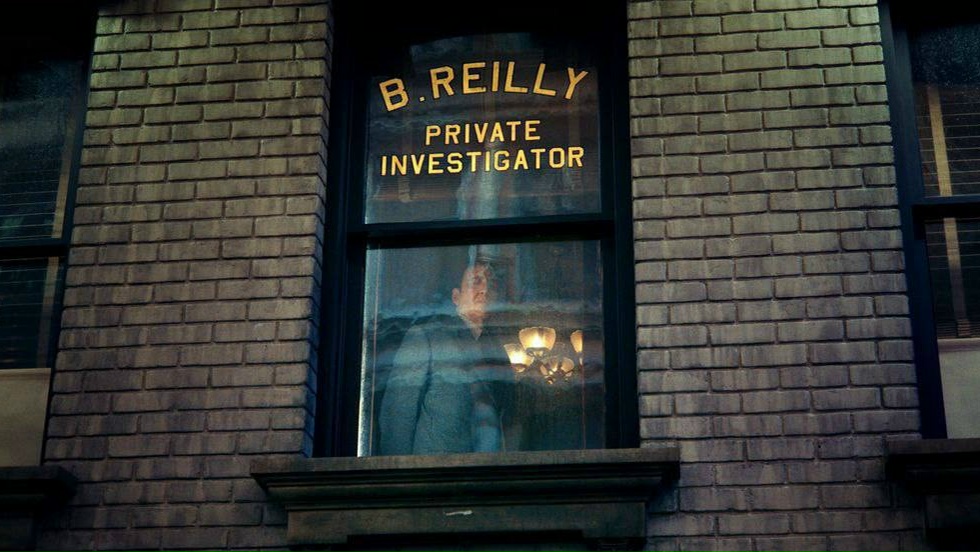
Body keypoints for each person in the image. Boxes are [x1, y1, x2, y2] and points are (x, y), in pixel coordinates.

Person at [377, 261, 514, 455]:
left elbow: (509, 420)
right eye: (476, 281)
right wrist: (398, 469)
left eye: (491, 284)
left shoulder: (499, 352)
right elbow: (398, 413)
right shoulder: (427, 336)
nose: (485, 289)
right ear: (456, 296)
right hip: (436, 469)